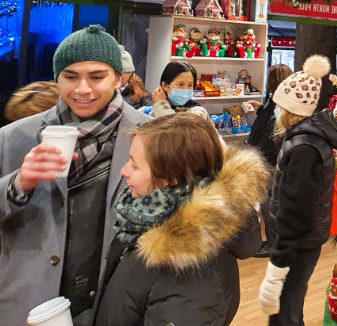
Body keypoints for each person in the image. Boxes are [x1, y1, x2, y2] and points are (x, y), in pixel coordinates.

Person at [0, 25, 150, 326]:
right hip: (29, 302)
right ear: (57, 77)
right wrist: (18, 184)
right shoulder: (14, 136)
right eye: (70, 76)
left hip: (111, 300)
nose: (82, 89)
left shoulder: (148, 135)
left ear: (119, 79)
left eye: (97, 77)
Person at [94, 112, 266, 325]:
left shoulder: (194, 273)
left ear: (171, 178)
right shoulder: (144, 219)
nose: (124, 171)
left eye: (135, 165)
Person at [258, 55, 337, 325]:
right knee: (289, 308)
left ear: (289, 108)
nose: (275, 111)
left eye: (278, 105)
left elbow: (298, 210)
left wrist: (279, 262)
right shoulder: (304, 139)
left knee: (286, 312)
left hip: (296, 245)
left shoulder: (304, 148)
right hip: (299, 242)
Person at [247, 64, 292, 167]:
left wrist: (253, 156)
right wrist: (261, 109)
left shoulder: (281, 104)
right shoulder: (278, 100)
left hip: (264, 163)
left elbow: (272, 138)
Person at [118, 46, 152, 110]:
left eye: (122, 72)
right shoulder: (107, 91)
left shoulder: (143, 95)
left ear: (130, 72)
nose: (117, 75)